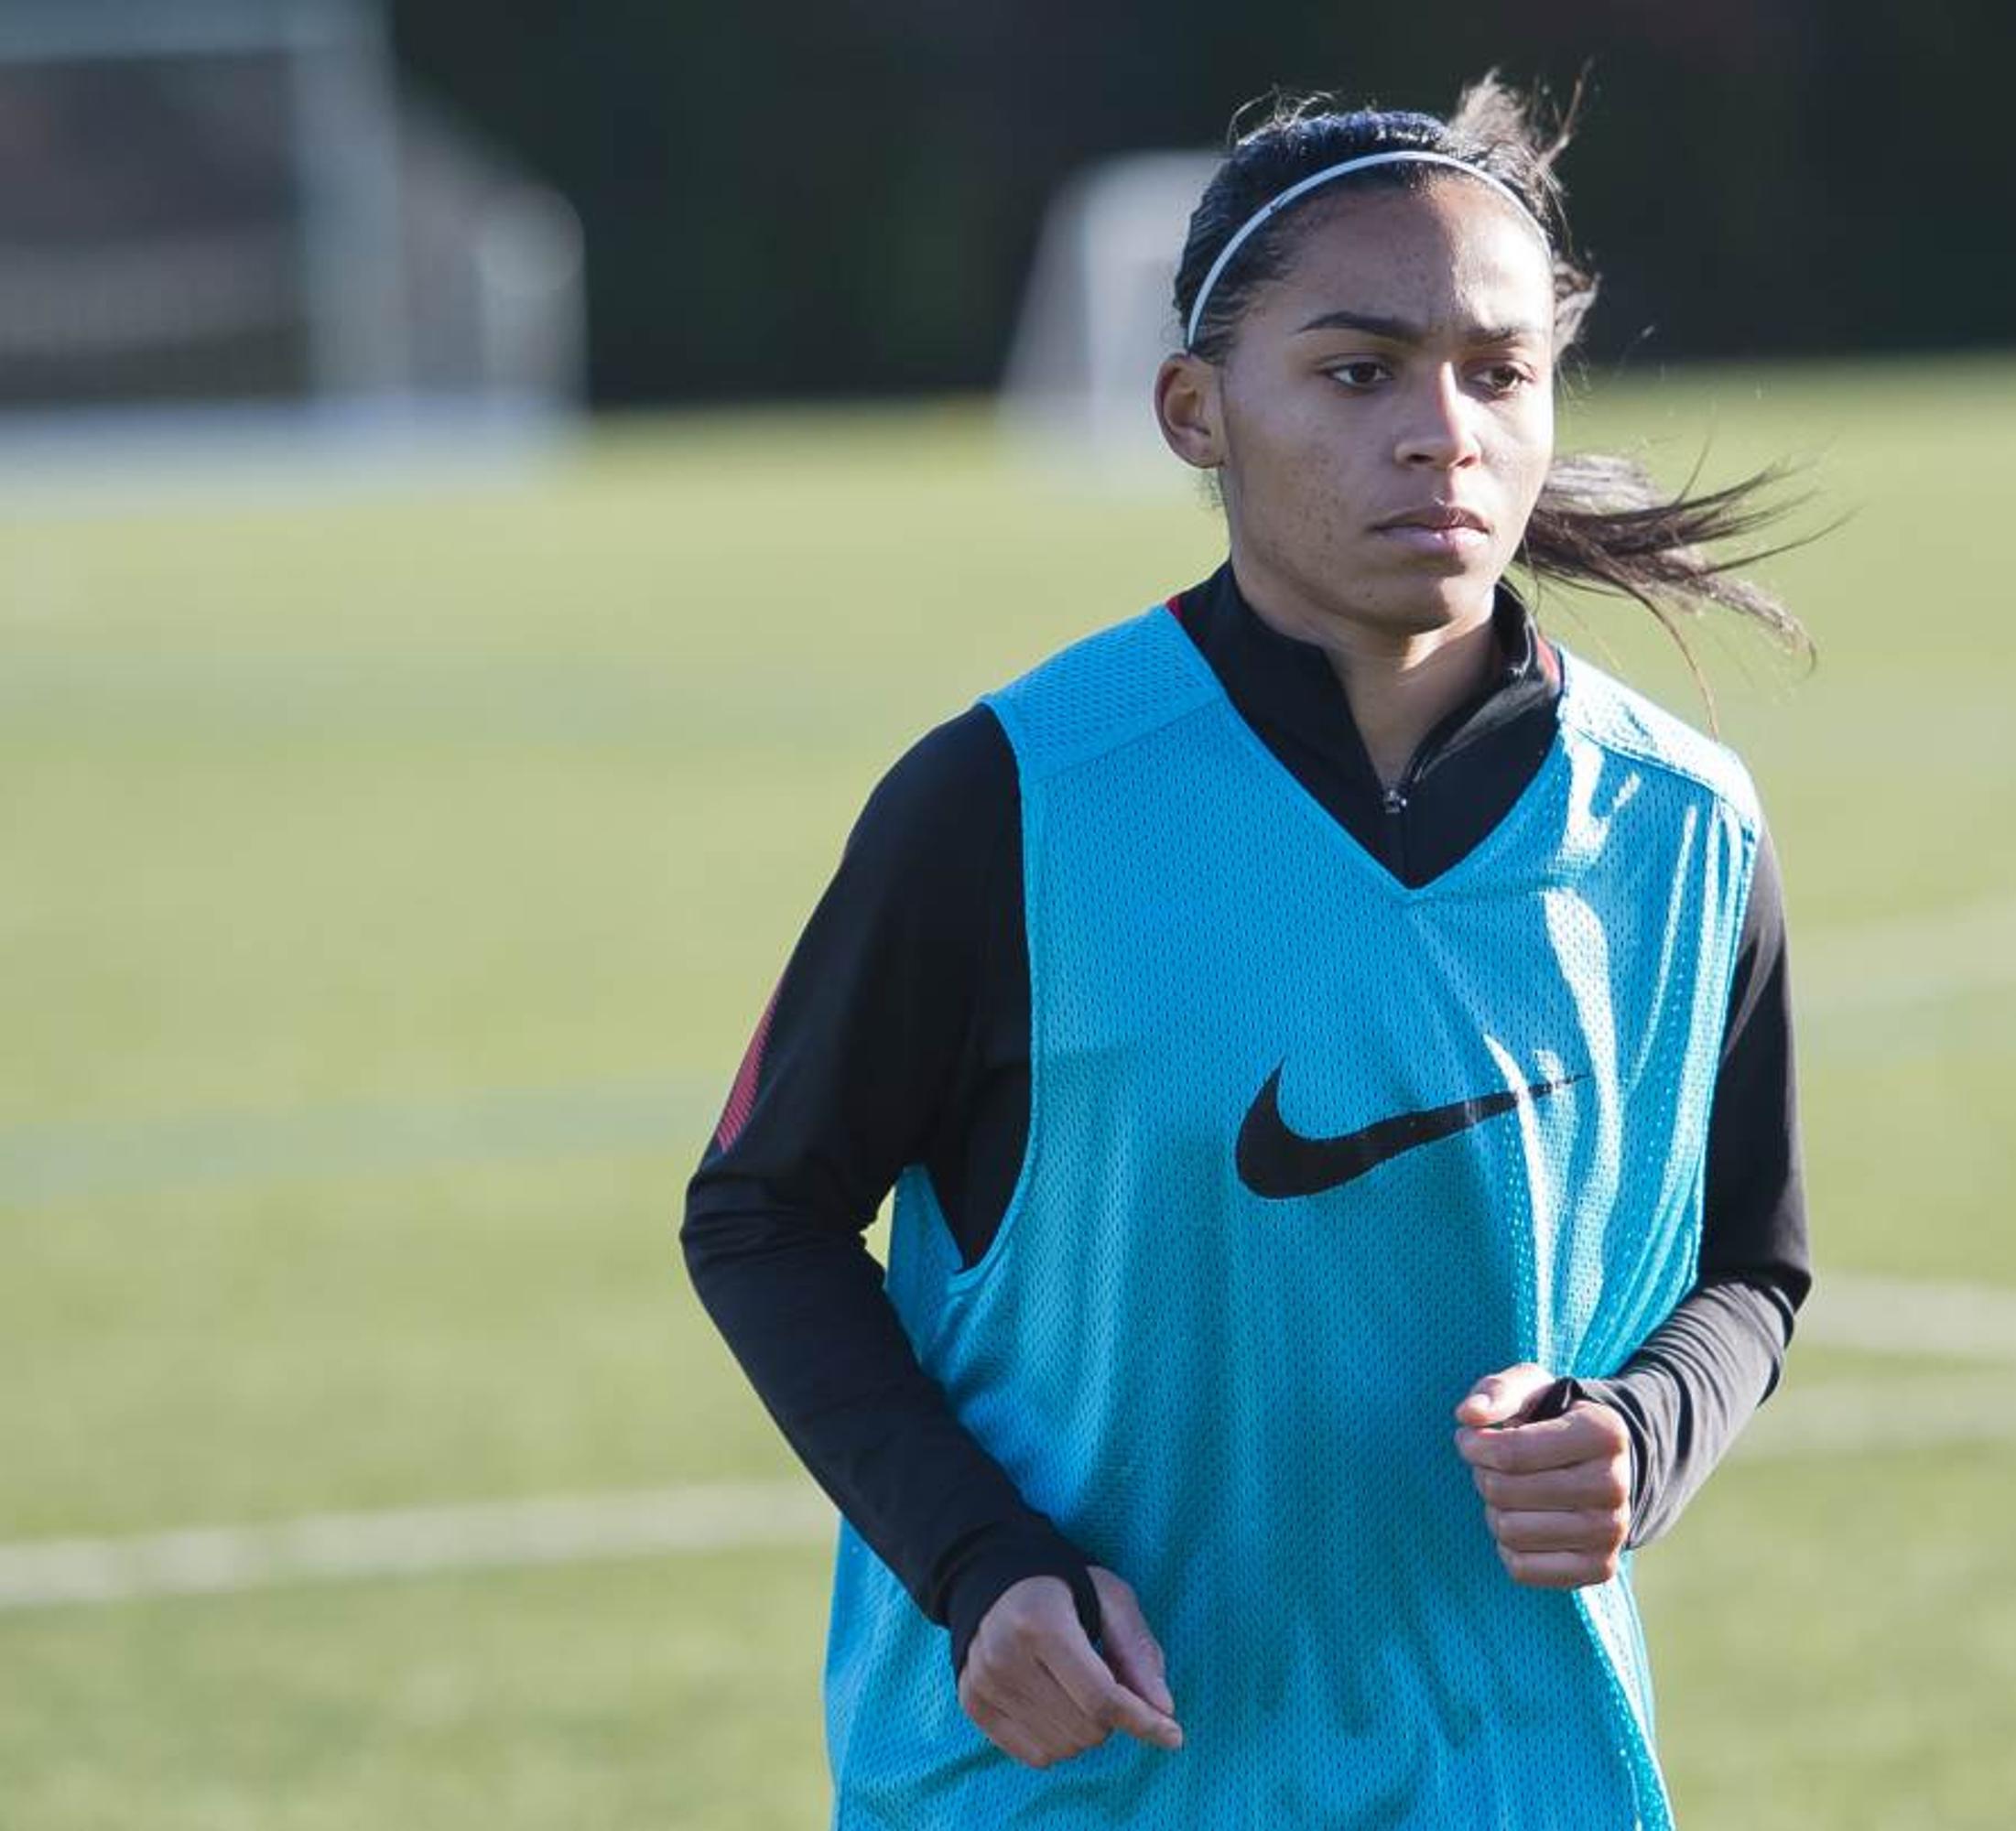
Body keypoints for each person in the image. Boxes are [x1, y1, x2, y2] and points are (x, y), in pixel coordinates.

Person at [683, 76, 1815, 1828]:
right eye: (1358, 373)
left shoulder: (1685, 828)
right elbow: (760, 1208)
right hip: (1077, 1782)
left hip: (1513, 1776)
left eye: (1496, 373)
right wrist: (981, 1564)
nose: (1441, 431)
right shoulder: (1010, 799)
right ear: (1194, 412)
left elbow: (1754, 1264)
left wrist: (1647, 1431)